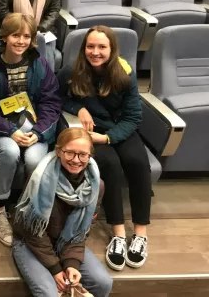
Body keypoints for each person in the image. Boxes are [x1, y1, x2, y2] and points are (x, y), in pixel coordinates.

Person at [57, 26, 152, 271]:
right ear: (83, 48)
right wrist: (79, 108)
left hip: (119, 129)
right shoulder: (73, 70)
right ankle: (119, 234)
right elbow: (56, 97)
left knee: (138, 162)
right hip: (94, 130)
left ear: (111, 49)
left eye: (102, 47)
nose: (95, 52)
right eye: (90, 46)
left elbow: (133, 117)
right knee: (109, 165)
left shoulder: (125, 73)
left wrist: (107, 138)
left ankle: (140, 234)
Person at [0, 13, 61, 247]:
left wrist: (40, 132)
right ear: (4, 37)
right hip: (2, 130)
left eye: (26, 36)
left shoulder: (40, 64)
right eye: (16, 35)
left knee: (34, 158)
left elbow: (51, 102)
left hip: (35, 127)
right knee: (11, 152)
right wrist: (10, 130)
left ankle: (28, 208)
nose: (21, 41)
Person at [12, 127, 112, 297]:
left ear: (90, 155)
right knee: (48, 293)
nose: (76, 160)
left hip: (66, 241)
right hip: (30, 241)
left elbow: (82, 231)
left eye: (82, 154)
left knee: (103, 283)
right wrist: (56, 268)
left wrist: (71, 263)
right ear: (58, 151)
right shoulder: (39, 178)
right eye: (69, 153)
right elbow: (31, 230)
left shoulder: (97, 186)